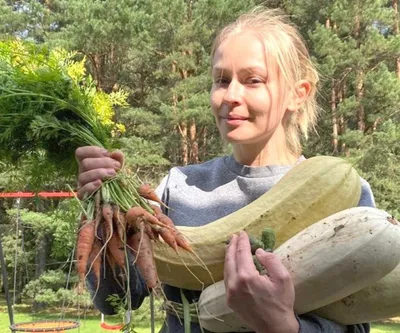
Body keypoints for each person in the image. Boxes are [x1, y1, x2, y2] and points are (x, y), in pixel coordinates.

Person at [75, 7, 375, 333]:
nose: (230, 96)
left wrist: (286, 327)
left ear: (297, 94)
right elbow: (116, 300)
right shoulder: (178, 187)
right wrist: (103, 218)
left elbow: (357, 320)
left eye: (252, 80)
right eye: (221, 80)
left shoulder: (345, 191)